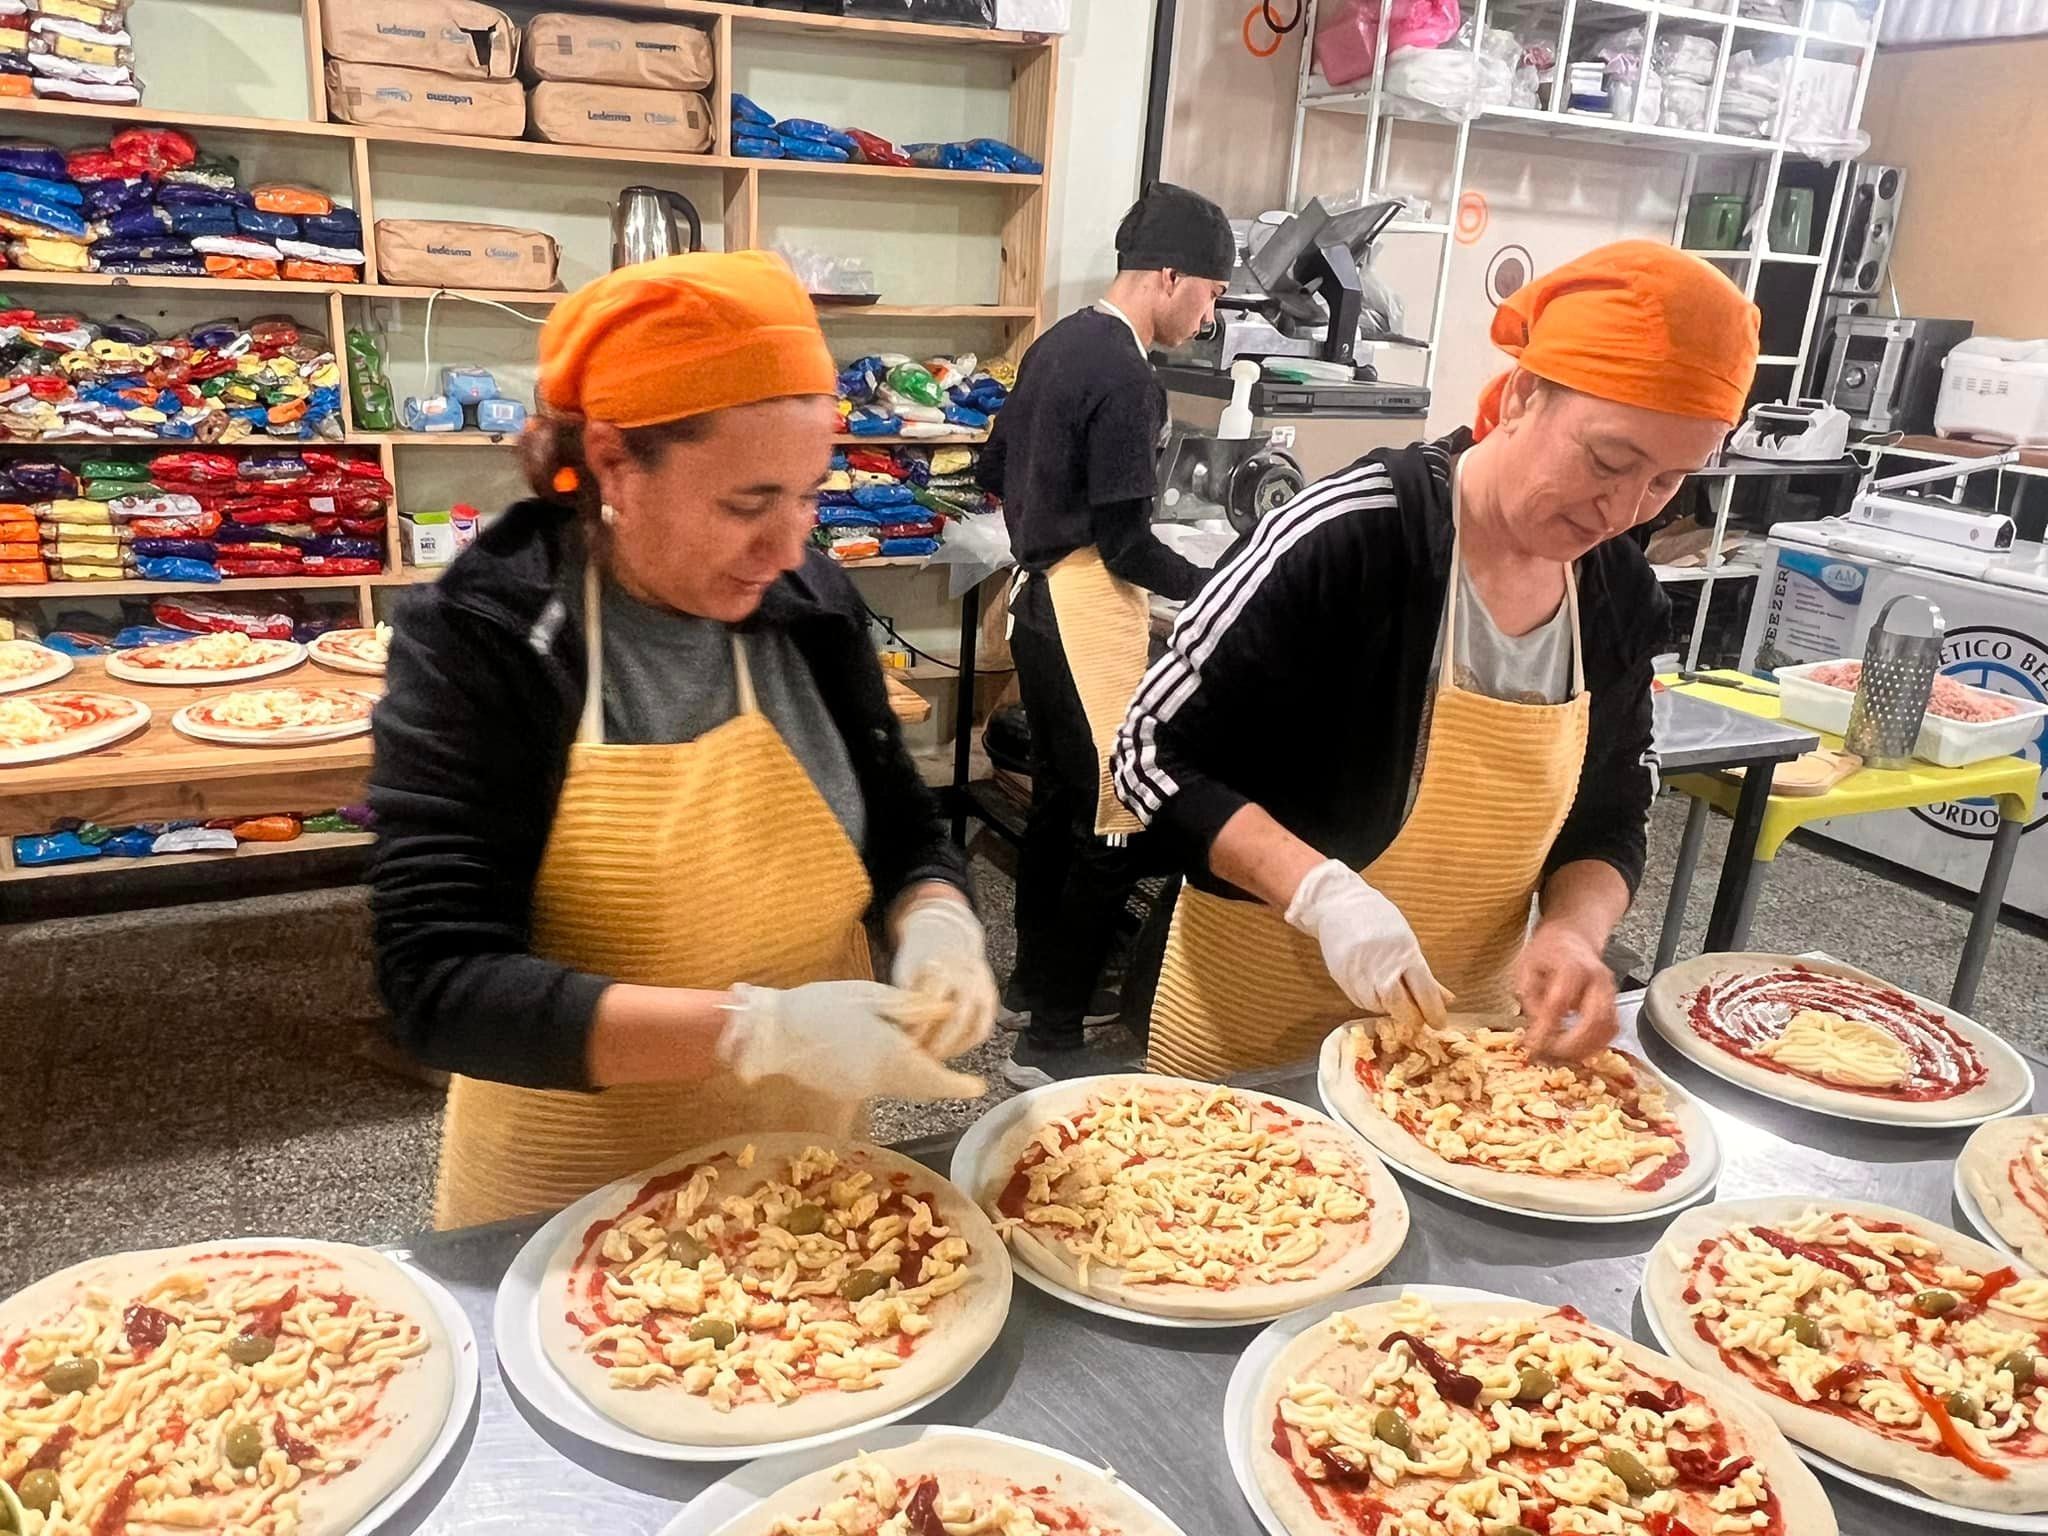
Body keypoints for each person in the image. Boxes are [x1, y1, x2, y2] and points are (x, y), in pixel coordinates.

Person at [369, 252, 999, 1229]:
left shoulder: (808, 605)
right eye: (747, 504)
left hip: (808, 1172)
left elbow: (900, 826)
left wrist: (937, 923)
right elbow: (441, 986)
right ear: (616, 460)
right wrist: (757, 1030)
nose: (790, 545)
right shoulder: (485, 634)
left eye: (808, 496)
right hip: (572, 1201)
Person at [1111, 241, 1761, 1076]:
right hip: (1258, 1044)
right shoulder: (1354, 534)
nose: (1623, 510)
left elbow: (1612, 809)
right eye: (1608, 460)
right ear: (1525, 395)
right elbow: (1148, 754)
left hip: (1470, 1049)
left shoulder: (1620, 595)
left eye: (1668, 483)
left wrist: (1571, 930)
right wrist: (1321, 896)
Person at [977, 182, 1234, 1088]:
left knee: (1054, 801)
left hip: (1035, 602)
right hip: (1085, 610)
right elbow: (1125, 545)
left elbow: (991, 464)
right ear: (1168, 276)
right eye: (1209, 293)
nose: (1210, 314)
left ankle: (1031, 982)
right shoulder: (1128, 376)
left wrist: (1042, 527)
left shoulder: (1056, 343)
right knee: (1109, 820)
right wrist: (1218, 585)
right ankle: (1048, 1042)